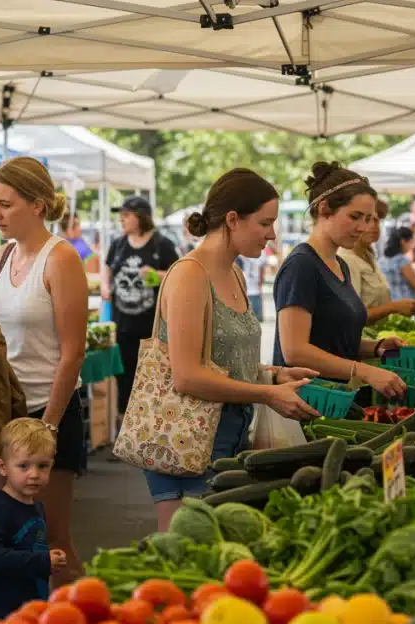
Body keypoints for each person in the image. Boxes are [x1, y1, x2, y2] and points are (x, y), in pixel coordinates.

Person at [151, 168, 320, 529]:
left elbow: (222, 359)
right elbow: (187, 377)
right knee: (187, 557)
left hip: (230, 434)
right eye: (265, 223)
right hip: (186, 440)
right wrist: (266, 394)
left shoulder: (237, 274)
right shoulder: (189, 276)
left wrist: (271, 375)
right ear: (232, 220)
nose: (273, 234)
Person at [0, 156, 89, 585]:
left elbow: (73, 352)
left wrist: (48, 427)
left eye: (5, 204)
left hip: (49, 410)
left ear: (38, 206)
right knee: (12, 533)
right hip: (4, 413)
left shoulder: (60, 258)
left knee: (53, 538)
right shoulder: (2, 255)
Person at [273, 162, 407, 400]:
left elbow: (332, 341)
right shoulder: (301, 265)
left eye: (368, 219)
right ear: (324, 209)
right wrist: (363, 371)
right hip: (309, 403)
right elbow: (295, 351)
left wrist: (375, 346)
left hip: (340, 399)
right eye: (355, 217)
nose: (363, 227)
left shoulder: (340, 265)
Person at [0, 419, 69, 618]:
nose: (34, 474)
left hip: (32, 605)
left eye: (43, 466)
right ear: (2, 467)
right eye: (23, 466)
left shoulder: (37, 506)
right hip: (2, 611)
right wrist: (42, 561)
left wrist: (50, 558)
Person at [102, 195, 180, 416]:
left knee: (152, 379)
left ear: (141, 217)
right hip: (122, 326)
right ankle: (127, 426)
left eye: (126, 215)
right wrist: (106, 287)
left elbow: (181, 275)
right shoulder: (117, 244)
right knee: (124, 378)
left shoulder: (162, 244)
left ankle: (151, 425)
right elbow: (107, 268)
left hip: (152, 329)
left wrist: (156, 274)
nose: (121, 220)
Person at [339, 199, 415, 323]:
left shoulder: (369, 255)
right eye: (368, 219)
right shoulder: (346, 259)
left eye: (378, 219)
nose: (375, 225)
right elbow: (351, 316)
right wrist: (394, 307)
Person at [377, 226, 415, 308]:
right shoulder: (401, 260)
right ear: (403, 241)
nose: (414, 245)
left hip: (389, 304)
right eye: (412, 241)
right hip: (404, 305)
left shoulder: (381, 260)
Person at [237, 250, 267, 321]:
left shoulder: (261, 253)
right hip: (247, 287)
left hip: (251, 288)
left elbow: (261, 271)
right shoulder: (261, 253)